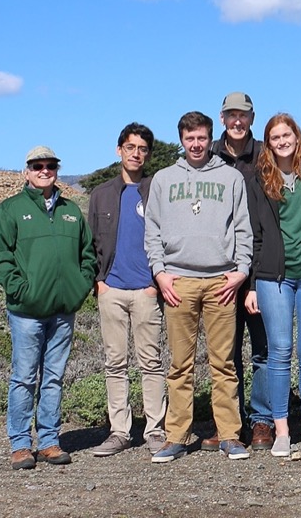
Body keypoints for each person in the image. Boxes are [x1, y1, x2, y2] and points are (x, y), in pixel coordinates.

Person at [144, 112, 252, 463]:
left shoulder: (231, 177)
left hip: (222, 281)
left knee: (224, 364)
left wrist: (241, 271)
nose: (196, 145)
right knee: (179, 365)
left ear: (211, 138)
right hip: (178, 281)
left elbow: (242, 228)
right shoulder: (163, 179)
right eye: (190, 139)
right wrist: (160, 273)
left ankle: (230, 435)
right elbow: (153, 231)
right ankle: (176, 435)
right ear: (181, 140)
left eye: (202, 138)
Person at [0, 145, 96, 471]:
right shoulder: (11, 209)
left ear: (57, 170)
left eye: (50, 165)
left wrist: (80, 286)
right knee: (23, 377)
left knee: (54, 377)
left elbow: (87, 254)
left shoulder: (72, 211)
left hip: (63, 311)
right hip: (26, 312)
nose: (44, 170)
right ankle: (20, 444)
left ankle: (49, 441)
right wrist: (21, 289)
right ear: (27, 171)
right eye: (37, 165)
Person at [244, 114, 301, 457]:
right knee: (279, 353)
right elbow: (254, 235)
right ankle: (281, 432)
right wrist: (253, 284)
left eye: (286, 134)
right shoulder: (259, 180)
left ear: (297, 137)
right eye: (274, 137)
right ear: (268, 143)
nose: (281, 141)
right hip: (273, 278)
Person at [86, 122, 167, 457]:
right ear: (119, 150)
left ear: (148, 154)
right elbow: (90, 242)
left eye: (143, 149)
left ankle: (155, 430)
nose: (136, 154)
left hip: (147, 290)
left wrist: (154, 284)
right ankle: (119, 431)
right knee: (115, 362)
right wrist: (99, 283)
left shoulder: (156, 189)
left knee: (151, 362)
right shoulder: (102, 193)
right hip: (112, 290)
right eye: (130, 147)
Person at [210, 91, 273, 451]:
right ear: (222, 118)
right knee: (225, 353)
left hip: (260, 269)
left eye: (243, 115)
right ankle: (228, 423)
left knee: (263, 351)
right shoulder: (209, 157)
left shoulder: (266, 155)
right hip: (220, 271)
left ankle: (262, 421)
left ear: (251, 118)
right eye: (231, 115)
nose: (237, 121)